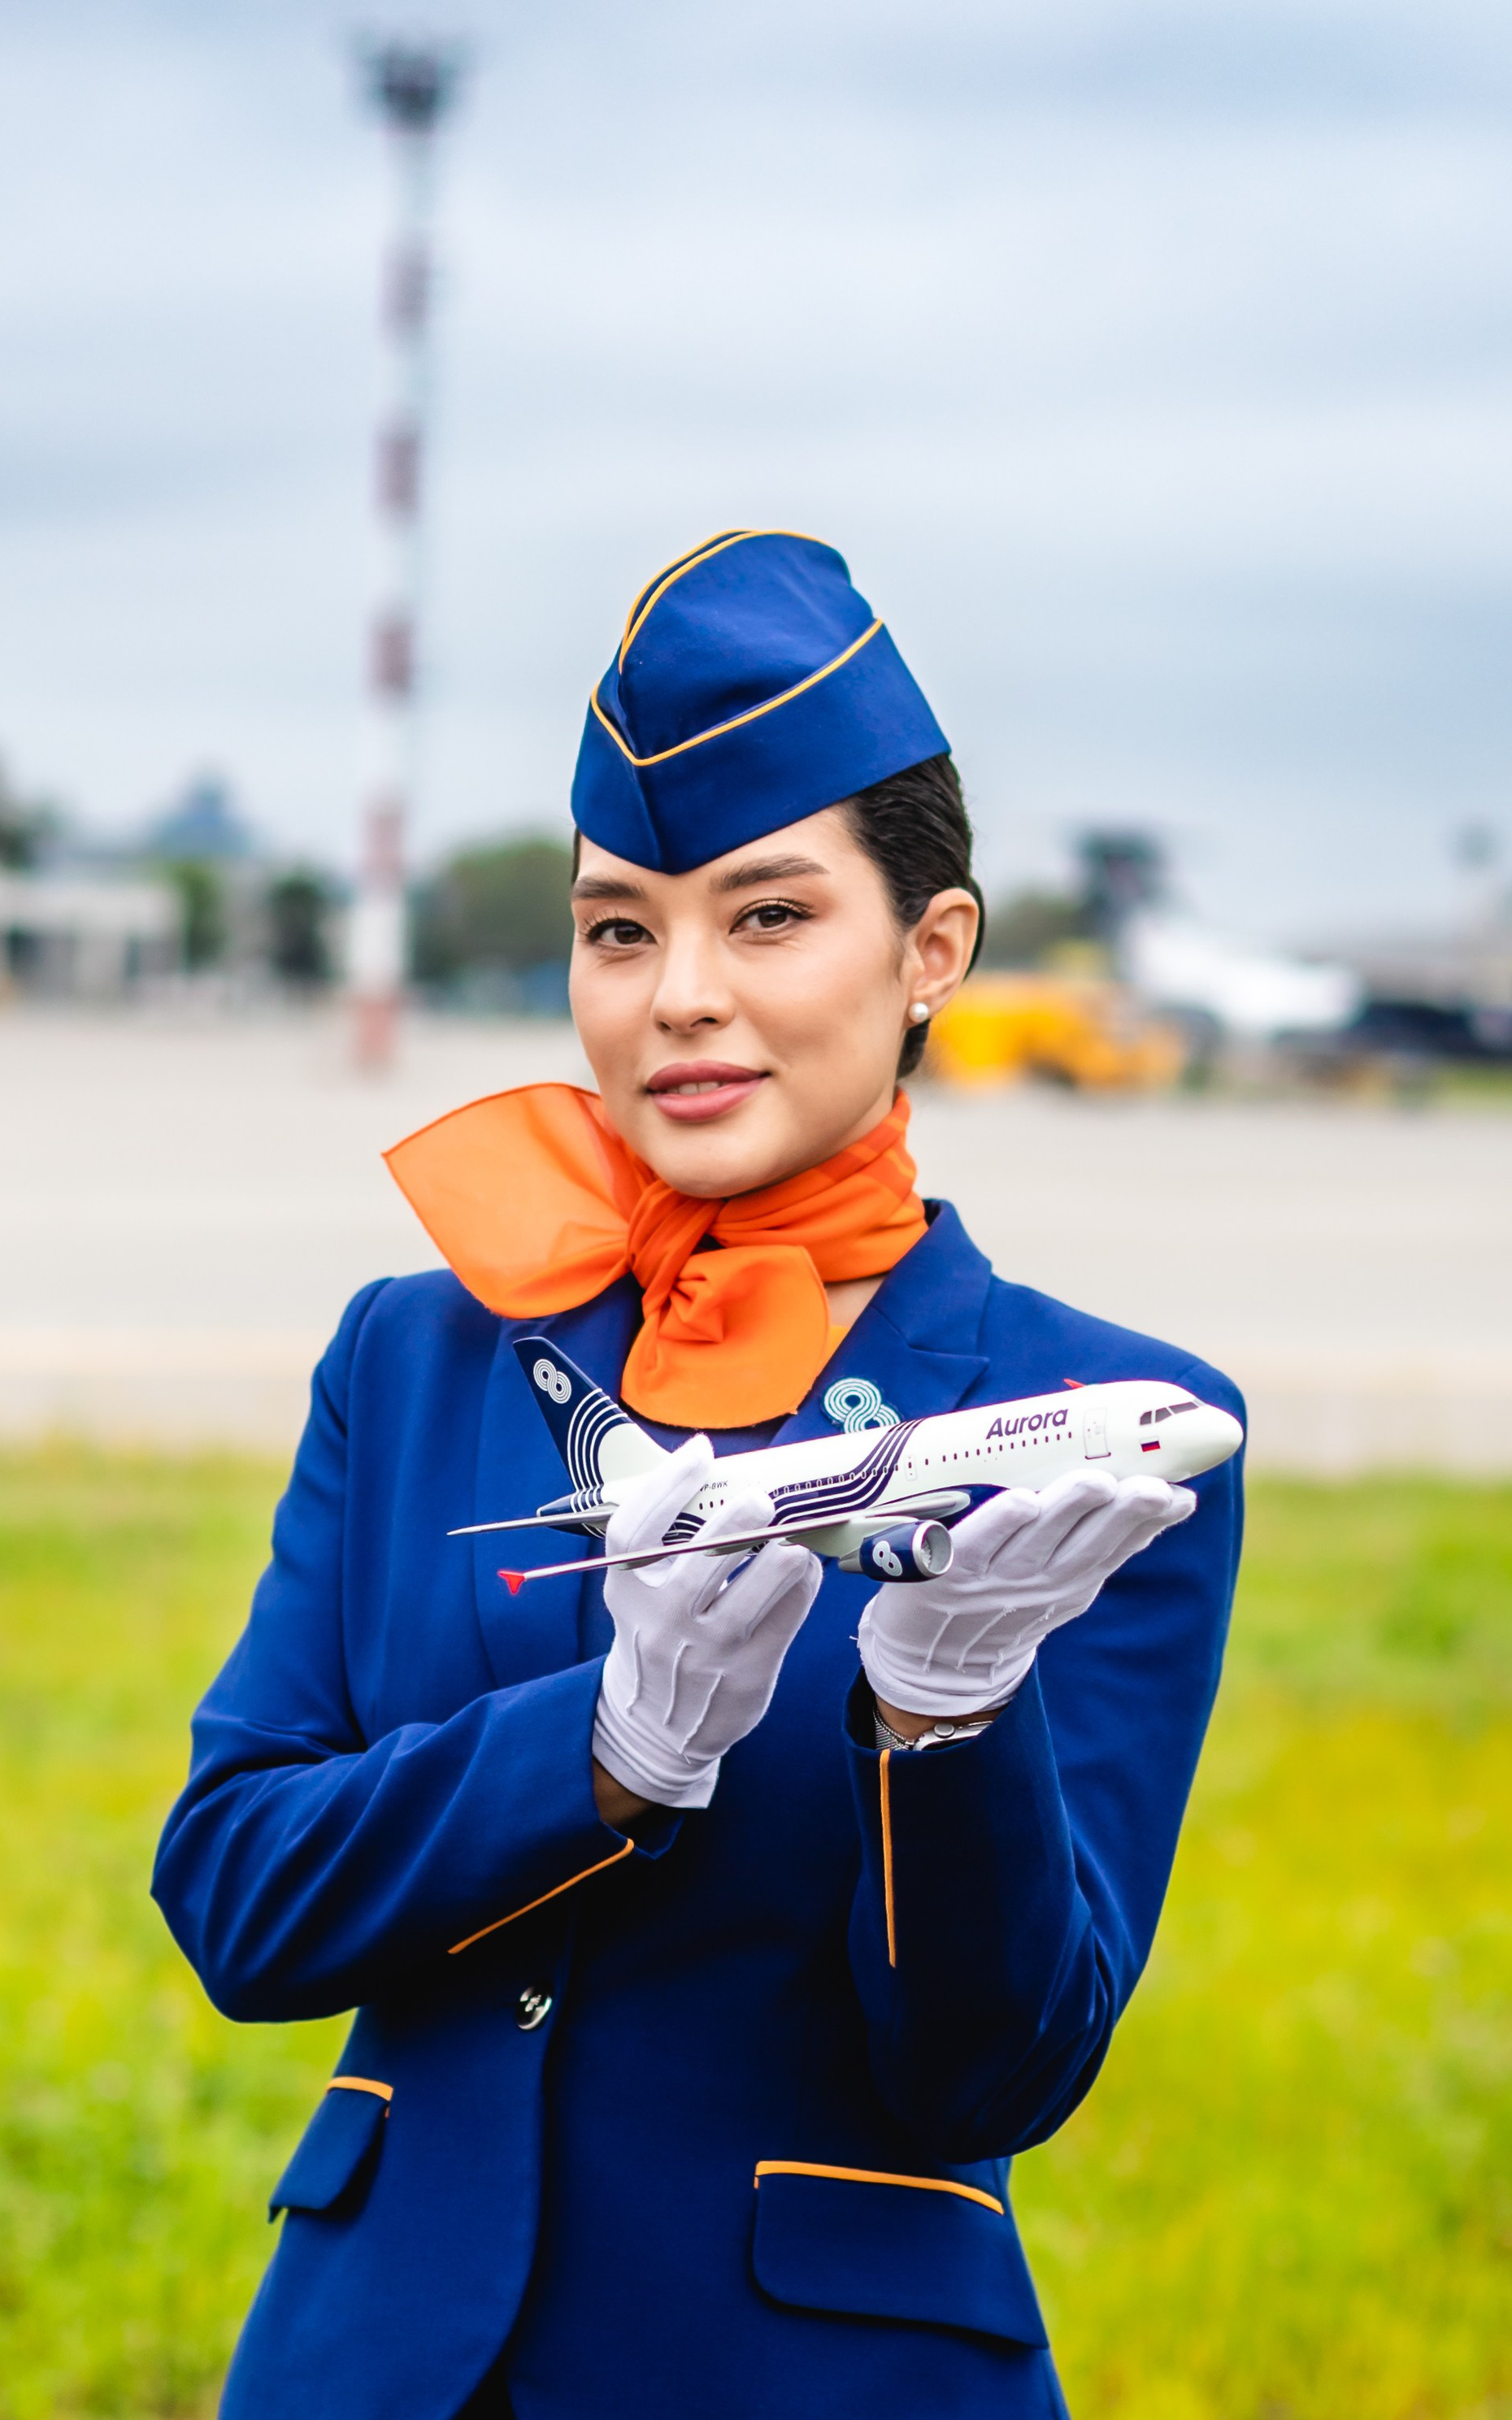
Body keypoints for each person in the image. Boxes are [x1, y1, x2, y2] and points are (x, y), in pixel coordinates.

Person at [154, 529, 1244, 2420]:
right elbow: (239, 1895)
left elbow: (991, 2079)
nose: (675, 994)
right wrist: (606, 1745)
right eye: (617, 925)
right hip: (373, 2370)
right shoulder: (412, 1356)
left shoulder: (1111, 1423)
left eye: (764, 915)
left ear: (930, 951)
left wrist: (942, 1724)